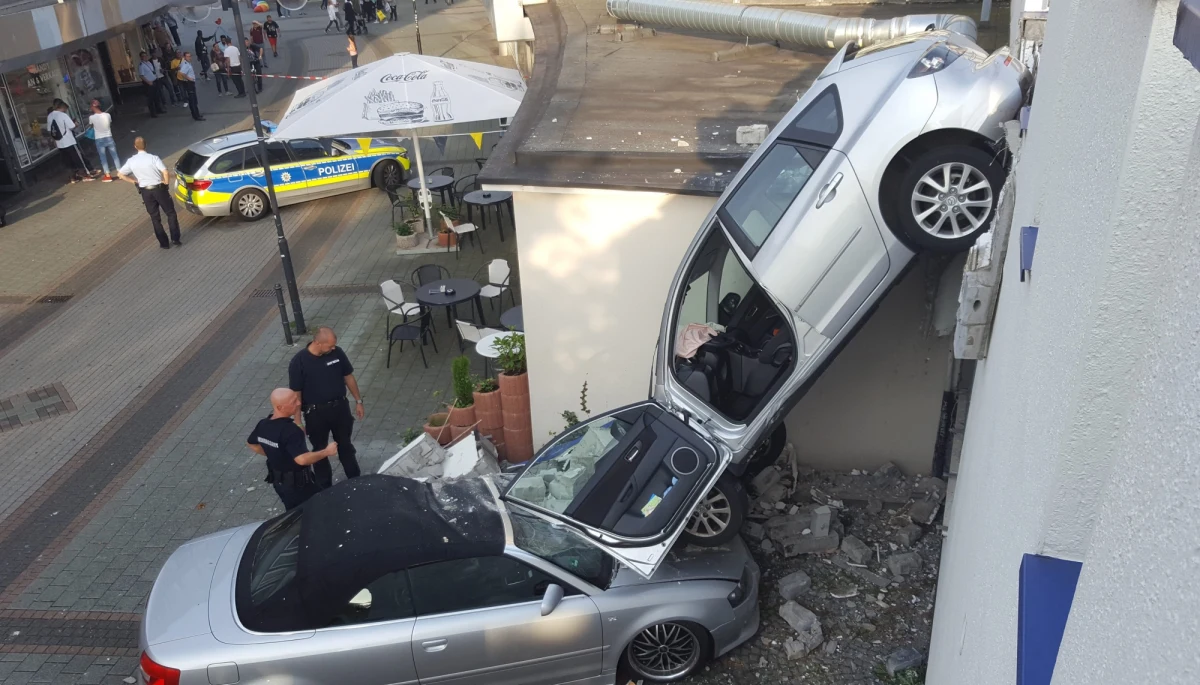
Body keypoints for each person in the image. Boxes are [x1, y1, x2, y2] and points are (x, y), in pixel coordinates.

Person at [288, 327, 365, 489]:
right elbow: (296, 394)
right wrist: (298, 421)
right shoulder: (299, 362)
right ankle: (324, 487)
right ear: (317, 343)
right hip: (315, 413)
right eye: (330, 346)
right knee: (319, 450)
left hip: (340, 408)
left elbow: (348, 377)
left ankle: (355, 480)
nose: (333, 348)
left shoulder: (337, 353)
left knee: (345, 445)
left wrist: (358, 401)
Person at [247, 389, 339, 511]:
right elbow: (302, 459)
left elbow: (252, 444)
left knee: (292, 511)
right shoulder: (291, 431)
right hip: (299, 485)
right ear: (280, 407)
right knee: (316, 509)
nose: (298, 403)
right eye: (293, 401)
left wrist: (274, 454)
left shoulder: (263, 424)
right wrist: (327, 451)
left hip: (279, 482)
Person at [116, 137, 181, 249]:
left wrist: (135, 182)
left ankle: (164, 243)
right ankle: (175, 239)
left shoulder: (131, 161)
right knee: (170, 213)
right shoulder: (153, 158)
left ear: (135, 147)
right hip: (159, 189)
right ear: (146, 145)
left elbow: (120, 175)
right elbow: (165, 172)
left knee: (155, 218)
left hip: (145, 191)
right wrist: (166, 184)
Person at [47, 100, 94, 184]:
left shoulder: (50, 116)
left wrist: (54, 140)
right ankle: (84, 174)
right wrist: (76, 123)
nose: (66, 110)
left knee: (67, 160)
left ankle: (73, 177)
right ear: (63, 107)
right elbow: (72, 126)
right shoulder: (63, 115)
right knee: (77, 158)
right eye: (65, 109)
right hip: (69, 141)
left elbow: (49, 130)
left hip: (59, 143)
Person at [88, 101, 119, 182]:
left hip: (99, 139)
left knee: (103, 157)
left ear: (93, 107)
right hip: (109, 136)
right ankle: (120, 172)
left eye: (91, 106)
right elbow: (110, 124)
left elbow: (91, 126)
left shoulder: (91, 117)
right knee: (115, 155)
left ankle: (108, 175)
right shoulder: (107, 115)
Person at [176, 52, 206, 121]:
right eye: (188, 56)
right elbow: (182, 73)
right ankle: (196, 116)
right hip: (189, 83)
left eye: (190, 56)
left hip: (190, 83)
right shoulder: (185, 64)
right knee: (193, 100)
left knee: (193, 100)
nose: (189, 58)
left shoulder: (185, 63)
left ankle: (196, 114)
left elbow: (180, 68)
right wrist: (189, 78)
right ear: (184, 57)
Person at [138, 52, 166, 117]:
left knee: (157, 97)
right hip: (149, 83)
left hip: (155, 81)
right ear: (141, 57)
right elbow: (141, 76)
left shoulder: (149, 62)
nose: (145, 57)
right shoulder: (141, 65)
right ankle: (153, 113)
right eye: (143, 56)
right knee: (151, 99)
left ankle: (158, 109)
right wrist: (148, 82)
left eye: (146, 56)